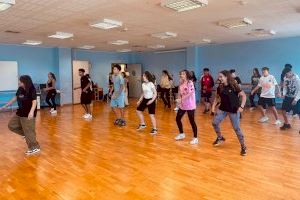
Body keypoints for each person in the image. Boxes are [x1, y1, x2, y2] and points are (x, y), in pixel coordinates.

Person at [0, 75, 40, 155]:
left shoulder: (32, 89)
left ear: (25, 82)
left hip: (28, 113)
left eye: (20, 81)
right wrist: (5, 106)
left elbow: (34, 101)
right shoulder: (20, 88)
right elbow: (15, 98)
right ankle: (26, 135)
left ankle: (34, 148)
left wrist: (31, 112)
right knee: (11, 125)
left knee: (29, 131)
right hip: (20, 112)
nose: (18, 82)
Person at [212, 70, 247, 156]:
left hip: (233, 110)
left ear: (226, 77)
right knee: (214, 123)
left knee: (236, 129)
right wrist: (213, 106)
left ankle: (243, 146)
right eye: (219, 76)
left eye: (221, 76)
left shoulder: (234, 85)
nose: (219, 78)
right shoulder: (220, 87)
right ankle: (220, 137)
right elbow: (217, 97)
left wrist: (242, 106)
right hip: (223, 109)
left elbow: (244, 96)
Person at [174, 70, 198, 145]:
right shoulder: (181, 83)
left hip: (190, 105)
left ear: (186, 75)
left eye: (183, 74)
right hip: (183, 105)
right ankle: (181, 134)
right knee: (177, 119)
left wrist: (181, 99)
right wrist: (179, 100)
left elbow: (190, 93)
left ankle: (195, 138)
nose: (181, 75)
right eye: (180, 74)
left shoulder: (190, 82)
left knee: (191, 121)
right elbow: (179, 92)